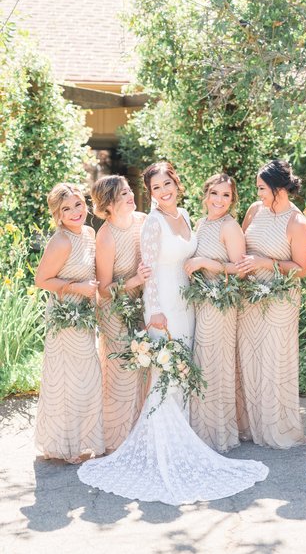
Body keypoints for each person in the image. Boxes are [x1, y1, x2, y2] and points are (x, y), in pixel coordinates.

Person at [78, 162, 268, 504]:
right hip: (162, 304)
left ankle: (180, 439)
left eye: (167, 184)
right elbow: (148, 272)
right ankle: (161, 445)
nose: (163, 191)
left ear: (176, 184)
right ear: (150, 193)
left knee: (181, 372)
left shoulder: (183, 213)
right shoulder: (153, 222)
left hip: (186, 302)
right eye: (156, 188)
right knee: (166, 374)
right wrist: (156, 314)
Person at [236, 159, 306, 448]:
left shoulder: (297, 222)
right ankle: (252, 425)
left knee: (274, 359)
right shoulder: (255, 211)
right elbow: (241, 246)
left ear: (279, 187)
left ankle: (277, 425)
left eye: (261, 188)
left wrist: (266, 263)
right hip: (249, 296)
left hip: (281, 298)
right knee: (250, 357)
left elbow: (302, 268)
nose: (258, 194)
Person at [35, 183, 104, 464]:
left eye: (78, 204)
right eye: (66, 208)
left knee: (86, 378)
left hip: (84, 316)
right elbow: (42, 281)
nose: (75, 211)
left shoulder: (89, 233)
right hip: (65, 316)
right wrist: (77, 288)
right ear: (58, 215)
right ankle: (67, 444)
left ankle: (84, 439)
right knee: (72, 380)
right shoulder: (61, 241)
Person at [185, 173, 245, 452]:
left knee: (213, 362)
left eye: (226, 195)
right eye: (215, 193)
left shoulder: (230, 226)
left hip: (220, 302)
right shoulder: (200, 223)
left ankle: (216, 432)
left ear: (232, 200)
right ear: (206, 194)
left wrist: (205, 262)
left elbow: (240, 268)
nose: (219, 200)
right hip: (201, 300)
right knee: (202, 359)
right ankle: (199, 427)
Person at [91, 175, 151, 452]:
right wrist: (135, 282)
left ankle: (143, 432)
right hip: (115, 310)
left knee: (145, 367)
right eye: (121, 196)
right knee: (122, 372)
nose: (129, 197)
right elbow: (103, 290)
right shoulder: (106, 236)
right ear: (108, 206)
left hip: (141, 303)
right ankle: (118, 439)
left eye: (128, 191)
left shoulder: (142, 220)